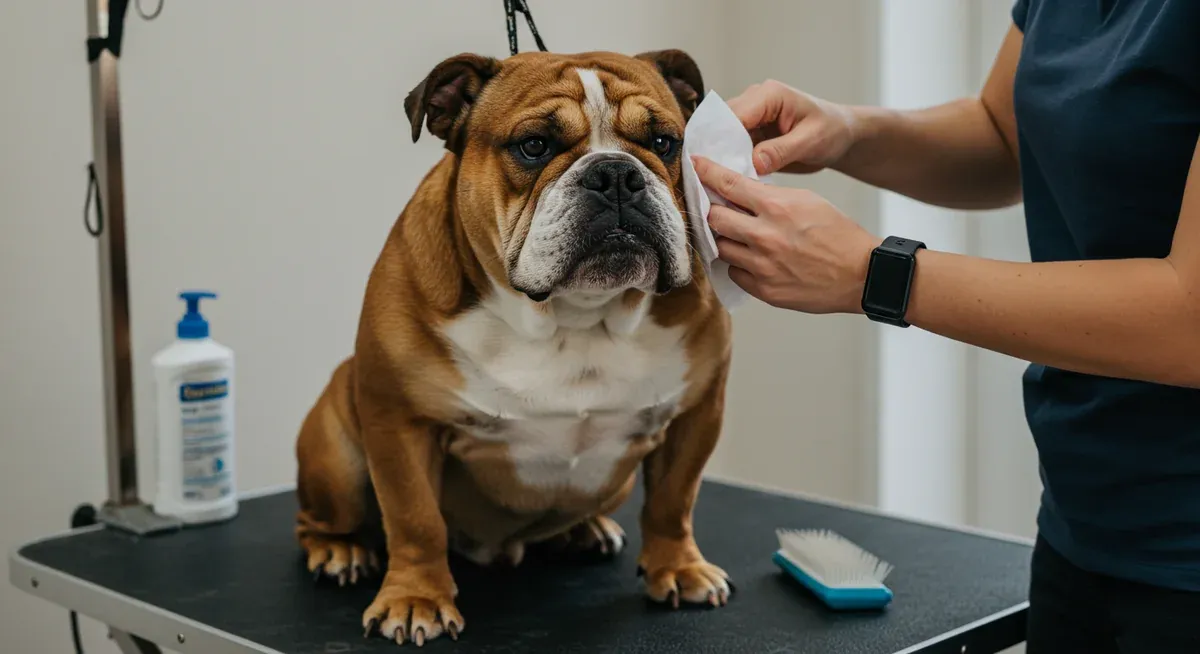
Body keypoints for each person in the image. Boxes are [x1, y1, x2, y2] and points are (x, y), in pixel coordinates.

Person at [689, 1, 1200, 652]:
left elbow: (1191, 323)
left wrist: (877, 275)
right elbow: (1003, 134)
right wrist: (848, 131)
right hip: (1083, 518)